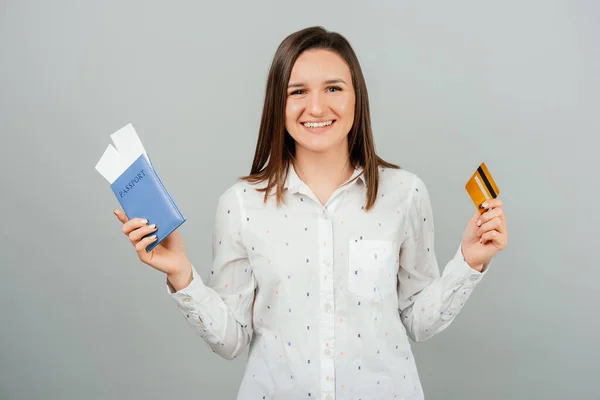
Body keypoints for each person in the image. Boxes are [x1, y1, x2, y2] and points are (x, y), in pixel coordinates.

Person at [114, 26, 508, 400]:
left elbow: (418, 322)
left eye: (333, 88)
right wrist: (181, 274)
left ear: (357, 98)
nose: (316, 107)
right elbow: (231, 341)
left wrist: (469, 264)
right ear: (278, 104)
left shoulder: (405, 193)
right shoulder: (240, 204)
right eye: (298, 91)